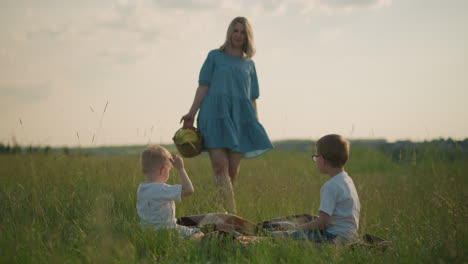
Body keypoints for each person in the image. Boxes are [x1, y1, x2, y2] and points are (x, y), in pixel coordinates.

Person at [180, 17, 273, 213]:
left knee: (231, 174)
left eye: (242, 32)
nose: (238, 35)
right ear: (229, 33)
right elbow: (203, 86)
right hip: (215, 116)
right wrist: (191, 113)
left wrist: (254, 123)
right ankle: (232, 217)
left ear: (248, 37)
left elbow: (252, 97)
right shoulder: (214, 56)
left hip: (241, 120)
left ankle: (222, 214)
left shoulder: (249, 64)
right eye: (235, 30)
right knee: (220, 170)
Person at [276, 134, 361, 245]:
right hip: (350, 235)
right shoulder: (347, 180)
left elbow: (323, 223)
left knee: (282, 236)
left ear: (322, 159)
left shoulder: (330, 186)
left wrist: (299, 228)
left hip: (334, 237)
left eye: (316, 157)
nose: (316, 161)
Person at [136, 145, 204, 240]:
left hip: (148, 231)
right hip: (168, 230)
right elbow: (189, 190)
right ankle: (187, 244)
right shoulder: (162, 189)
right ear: (162, 170)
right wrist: (181, 169)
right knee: (198, 232)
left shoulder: (141, 189)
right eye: (169, 170)